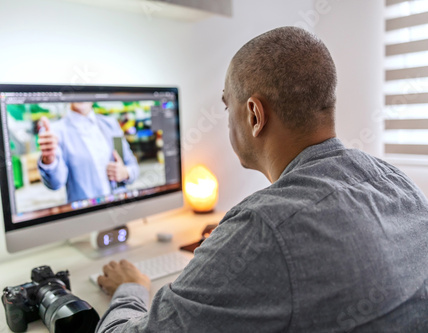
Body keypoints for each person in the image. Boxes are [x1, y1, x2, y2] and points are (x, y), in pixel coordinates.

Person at [96, 27, 428, 332]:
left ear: (255, 115)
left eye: (228, 107)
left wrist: (132, 286)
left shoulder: (262, 229)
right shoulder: (398, 184)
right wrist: (231, 246)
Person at [37, 102, 139, 203]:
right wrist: (49, 159)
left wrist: (125, 173)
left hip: (120, 207)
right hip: (85, 214)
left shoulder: (110, 125)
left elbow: (133, 166)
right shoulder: (56, 131)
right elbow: (55, 183)